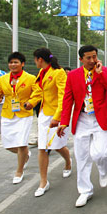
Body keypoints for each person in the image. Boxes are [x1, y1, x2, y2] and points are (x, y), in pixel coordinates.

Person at [57, 45, 107, 207]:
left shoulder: (106, 71)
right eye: (88, 58)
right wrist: (64, 122)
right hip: (82, 119)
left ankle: (104, 171)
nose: (92, 60)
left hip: (100, 118)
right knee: (82, 156)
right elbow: (68, 99)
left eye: (94, 57)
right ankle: (85, 191)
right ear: (81, 59)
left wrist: (101, 73)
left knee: (101, 154)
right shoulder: (73, 76)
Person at [24, 48, 72, 197]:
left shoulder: (59, 73)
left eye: (34, 59)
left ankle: (68, 162)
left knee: (57, 146)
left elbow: (63, 96)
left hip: (57, 115)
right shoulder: (41, 73)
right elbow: (38, 92)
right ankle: (43, 181)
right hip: (44, 115)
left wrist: (58, 117)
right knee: (43, 147)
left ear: (39, 59)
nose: (34, 62)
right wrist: (31, 103)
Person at [0, 52, 36, 184]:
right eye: (11, 62)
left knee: (21, 143)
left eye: (16, 62)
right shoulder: (3, 79)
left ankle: (19, 171)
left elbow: (37, 93)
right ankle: (25, 155)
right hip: (8, 114)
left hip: (23, 114)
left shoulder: (30, 78)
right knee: (8, 144)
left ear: (22, 64)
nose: (13, 65)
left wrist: (31, 103)